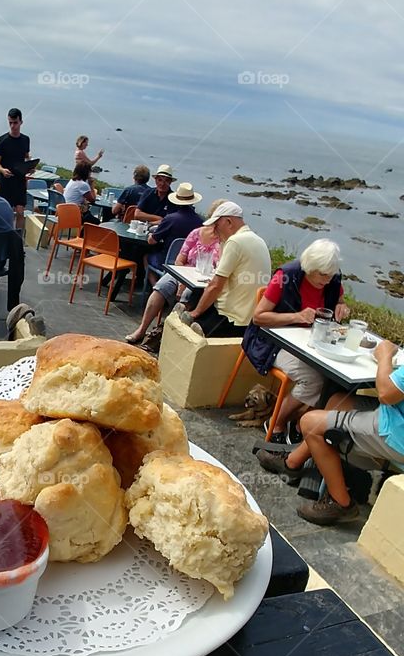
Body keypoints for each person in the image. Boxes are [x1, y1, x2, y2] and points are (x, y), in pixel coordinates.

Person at [257, 342, 404, 524]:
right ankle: (292, 463)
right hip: (394, 412)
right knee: (337, 399)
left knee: (309, 423)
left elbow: (386, 393)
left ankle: (341, 503)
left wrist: (384, 357)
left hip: (396, 432)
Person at [242, 240, 349, 441]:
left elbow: (340, 301)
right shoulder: (286, 276)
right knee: (313, 379)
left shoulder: (333, 279)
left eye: (330, 275)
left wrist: (342, 307)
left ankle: (303, 424)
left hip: (310, 343)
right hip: (272, 343)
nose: (326, 281)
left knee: (335, 381)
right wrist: (296, 317)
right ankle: (275, 423)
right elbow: (259, 317)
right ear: (310, 267)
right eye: (322, 275)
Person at [127, 201, 270, 345]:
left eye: (217, 225)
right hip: (249, 318)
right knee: (190, 299)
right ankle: (158, 336)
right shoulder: (257, 240)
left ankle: (160, 340)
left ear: (228, 222)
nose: (214, 229)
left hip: (230, 317)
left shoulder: (235, 242)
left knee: (188, 314)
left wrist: (195, 313)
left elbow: (215, 286)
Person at [126, 198, 222, 344]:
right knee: (161, 287)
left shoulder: (227, 241)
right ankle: (142, 329)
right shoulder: (197, 233)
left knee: (188, 296)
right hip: (184, 272)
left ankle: (163, 335)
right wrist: (181, 281)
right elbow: (180, 258)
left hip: (204, 281)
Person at [145, 182, 204, 271]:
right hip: (188, 262)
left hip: (167, 260)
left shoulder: (170, 219)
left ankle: (155, 284)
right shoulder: (200, 221)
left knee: (146, 257)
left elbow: (152, 241)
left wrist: (150, 234)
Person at [0, 108, 32, 233]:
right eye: (10, 123)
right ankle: (7, 236)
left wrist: (31, 166)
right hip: (7, 180)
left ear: (21, 122)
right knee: (7, 212)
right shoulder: (2, 140)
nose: (12, 126)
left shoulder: (25, 139)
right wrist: (2, 170)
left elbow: (27, 156)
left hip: (20, 179)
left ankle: (18, 239)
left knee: (20, 212)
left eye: (15, 122)